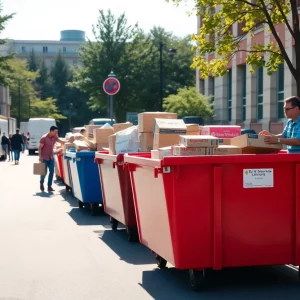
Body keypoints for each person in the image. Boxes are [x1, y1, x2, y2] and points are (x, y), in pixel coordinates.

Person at [39, 125, 65, 192]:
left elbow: (60, 141)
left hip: (51, 157)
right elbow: (40, 148)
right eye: (55, 132)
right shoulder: (44, 138)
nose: (56, 133)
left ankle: (49, 186)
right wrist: (40, 157)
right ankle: (41, 182)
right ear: (51, 131)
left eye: (57, 132)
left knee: (52, 172)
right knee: (43, 172)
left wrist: (67, 142)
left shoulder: (55, 137)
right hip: (44, 157)